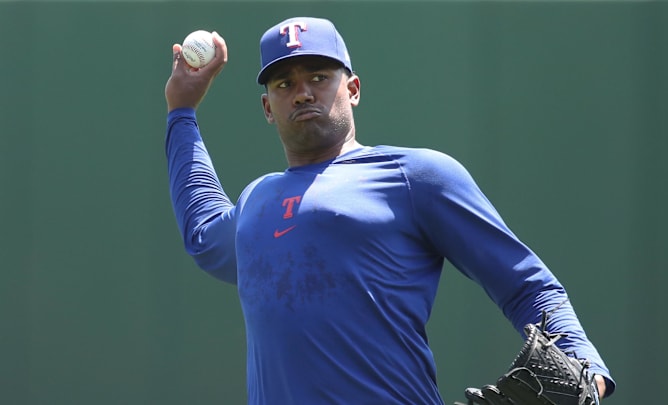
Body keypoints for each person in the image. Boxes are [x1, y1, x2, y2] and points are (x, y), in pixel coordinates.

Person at [164, 16, 615, 404]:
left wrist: (585, 366)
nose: (302, 93)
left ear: (353, 88)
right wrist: (181, 110)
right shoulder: (256, 200)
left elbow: (525, 285)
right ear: (268, 107)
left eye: (319, 76)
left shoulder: (414, 176)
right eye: (285, 84)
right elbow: (204, 234)